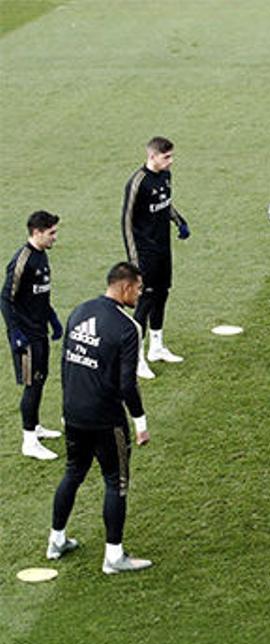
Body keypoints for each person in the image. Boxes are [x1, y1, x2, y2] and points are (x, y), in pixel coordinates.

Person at [47, 262, 152, 574]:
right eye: (138, 288)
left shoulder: (79, 311)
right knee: (115, 482)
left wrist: (66, 410)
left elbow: (67, 364)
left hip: (74, 413)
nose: (140, 294)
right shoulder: (127, 327)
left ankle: (56, 540)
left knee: (73, 472)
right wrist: (141, 422)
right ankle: (114, 557)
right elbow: (126, 384)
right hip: (106, 419)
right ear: (124, 287)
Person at [121, 136, 191, 380]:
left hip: (163, 248)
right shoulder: (137, 182)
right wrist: (134, 260)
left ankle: (157, 347)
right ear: (152, 156)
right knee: (145, 302)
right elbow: (126, 222)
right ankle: (136, 358)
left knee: (162, 294)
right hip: (145, 253)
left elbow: (165, 202)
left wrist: (179, 221)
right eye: (166, 157)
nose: (171, 161)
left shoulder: (164, 177)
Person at [2, 211, 64, 460]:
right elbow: (5, 298)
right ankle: (29, 441)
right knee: (31, 384)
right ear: (37, 232)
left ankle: (35, 426)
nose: (55, 237)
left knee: (41, 378)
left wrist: (52, 318)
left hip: (39, 330)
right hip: (25, 335)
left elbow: (40, 294)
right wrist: (15, 332)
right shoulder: (23, 260)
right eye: (51, 233)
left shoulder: (42, 256)